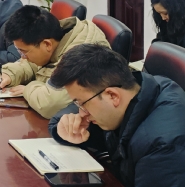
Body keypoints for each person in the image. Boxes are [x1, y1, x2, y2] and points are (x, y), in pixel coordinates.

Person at [48, 44, 185, 187]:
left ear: (112, 96)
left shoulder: (164, 148)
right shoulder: (135, 89)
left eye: (82, 104)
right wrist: (66, 129)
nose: (81, 113)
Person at [0, 5, 110, 119]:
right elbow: (34, 64)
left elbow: (50, 104)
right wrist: (9, 74)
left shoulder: (82, 56)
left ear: (47, 44)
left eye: (24, 52)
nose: (23, 57)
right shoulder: (54, 37)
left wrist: (27, 89)